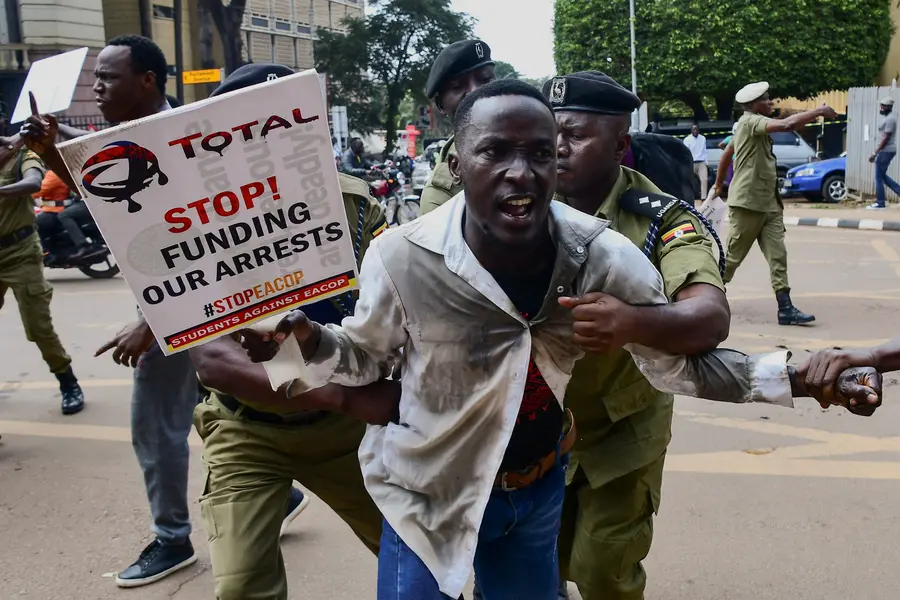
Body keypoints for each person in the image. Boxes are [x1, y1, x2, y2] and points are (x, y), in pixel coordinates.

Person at [240, 80, 871, 600]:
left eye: (541, 152)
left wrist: (804, 375)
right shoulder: (403, 257)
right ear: (456, 164)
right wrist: (298, 347)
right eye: (496, 153)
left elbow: (680, 363)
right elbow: (362, 357)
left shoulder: (600, 255)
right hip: (426, 492)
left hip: (535, 489)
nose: (523, 172)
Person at [22, 37, 315, 589]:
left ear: (149, 81)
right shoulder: (134, 139)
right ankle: (256, 498)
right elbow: (102, 168)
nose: (98, 88)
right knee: (222, 413)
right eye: (96, 78)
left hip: (209, 306)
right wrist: (49, 147)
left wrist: (153, 324)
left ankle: (180, 535)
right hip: (182, 307)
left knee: (200, 420)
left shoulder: (194, 142)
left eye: (109, 78)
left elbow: (218, 250)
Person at [185, 62, 390, 600]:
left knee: (419, 560)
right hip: (249, 431)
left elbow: (396, 318)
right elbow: (214, 361)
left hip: (347, 434)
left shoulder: (358, 207)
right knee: (241, 587)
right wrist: (342, 398)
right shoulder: (191, 221)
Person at [713, 82, 836, 326]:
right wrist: (819, 111)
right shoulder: (750, 122)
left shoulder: (752, 127)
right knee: (733, 258)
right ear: (753, 105)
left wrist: (718, 184)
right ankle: (703, 298)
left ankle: (786, 308)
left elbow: (728, 152)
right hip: (748, 203)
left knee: (778, 256)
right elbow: (787, 124)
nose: (771, 102)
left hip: (769, 203)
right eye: (766, 99)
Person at [0, 132, 84, 415]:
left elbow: (34, 182)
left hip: (19, 252)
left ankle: (67, 380)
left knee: (39, 327)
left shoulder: (21, 155)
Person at [419, 39, 496, 215]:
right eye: (457, 86)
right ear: (440, 105)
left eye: (485, 80)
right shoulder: (439, 196)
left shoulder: (540, 149)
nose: (475, 92)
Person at [867, 97, 900, 210]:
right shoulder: (888, 118)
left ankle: (880, 202)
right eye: (881, 105)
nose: (881, 108)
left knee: (878, 178)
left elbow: (886, 137)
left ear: (889, 107)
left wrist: (875, 152)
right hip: (886, 150)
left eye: (883, 106)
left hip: (886, 151)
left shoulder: (890, 119)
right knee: (882, 176)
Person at [683, 124, 708, 199]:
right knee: (689, 180)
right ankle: (690, 196)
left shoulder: (703, 138)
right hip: (691, 162)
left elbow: (704, 151)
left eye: (696, 129)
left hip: (701, 162)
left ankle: (704, 197)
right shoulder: (687, 139)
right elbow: (686, 152)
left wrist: (706, 162)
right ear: (691, 131)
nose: (695, 131)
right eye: (694, 129)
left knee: (704, 179)